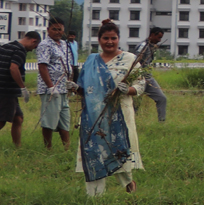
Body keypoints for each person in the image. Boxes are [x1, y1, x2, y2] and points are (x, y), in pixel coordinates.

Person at [75, 21, 144, 195]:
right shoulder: (91, 61)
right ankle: (94, 197)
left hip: (120, 113)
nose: (110, 42)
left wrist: (127, 89)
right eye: (106, 38)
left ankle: (130, 189)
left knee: (120, 150)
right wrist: (75, 88)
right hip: (94, 116)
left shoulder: (129, 59)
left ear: (118, 39)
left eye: (113, 38)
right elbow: (85, 90)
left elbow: (141, 85)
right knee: (94, 152)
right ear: (99, 40)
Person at [37, 19, 76, 151]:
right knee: (50, 120)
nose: (58, 32)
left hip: (63, 87)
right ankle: (48, 148)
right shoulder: (45, 45)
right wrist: (50, 86)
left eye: (60, 29)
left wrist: (70, 81)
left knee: (64, 119)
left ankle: (67, 148)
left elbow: (68, 64)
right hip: (51, 89)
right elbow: (43, 66)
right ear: (48, 30)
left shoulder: (64, 44)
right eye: (54, 29)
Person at [1, 31, 41, 149]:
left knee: (18, 118)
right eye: (35, 46)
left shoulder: (7, 46)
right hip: (6, 90)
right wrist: (23, 87)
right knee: (2, 120)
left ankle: (17, 147)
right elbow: (14, 68)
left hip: (8, 90)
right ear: (33, 41)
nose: (33, 49)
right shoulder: (20, 50)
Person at [135, 27, 169, 123]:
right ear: (152, 35)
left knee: (162, 98)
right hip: (138, 79)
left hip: (149, 79)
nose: (159, 40)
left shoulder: (151, 47)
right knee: (135, 104)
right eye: (158, 37)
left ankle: (162, 123)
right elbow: (134, 61)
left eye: (161, 38)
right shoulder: (143, 46)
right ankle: (130, 124)